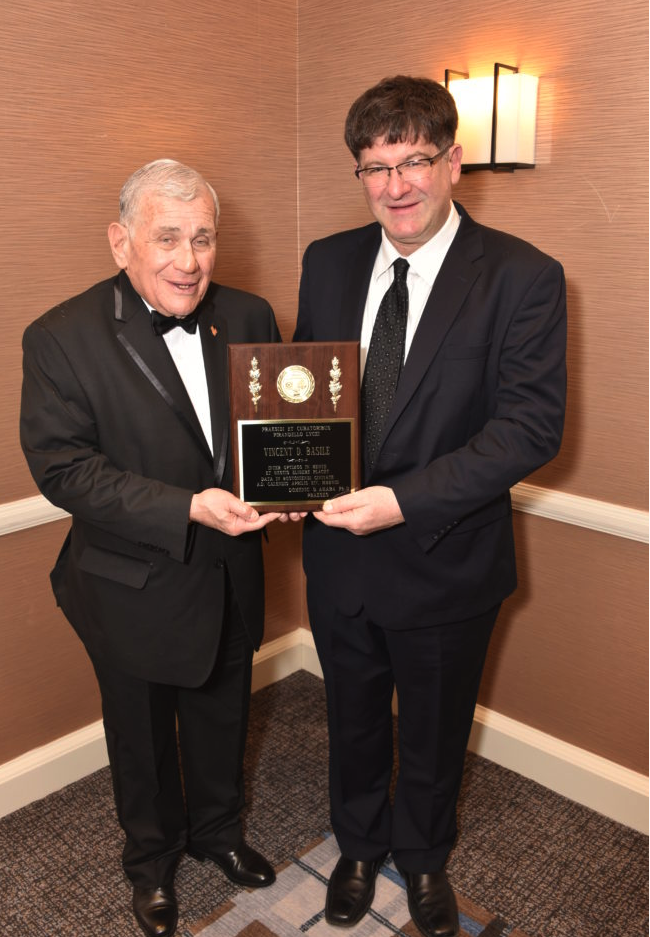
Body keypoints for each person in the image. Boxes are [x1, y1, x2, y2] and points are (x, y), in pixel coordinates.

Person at [292, 76, 567, 937]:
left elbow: (529, 429)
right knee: (354, 718)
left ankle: (422, 856)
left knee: (437, 732)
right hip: (339, 557)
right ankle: (359, 846)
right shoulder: (327, 260)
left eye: (414, 160)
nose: (395, 185)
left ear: (454, 161)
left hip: (447, 558)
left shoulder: (523, 276)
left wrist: (400, 502)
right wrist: (282, 477)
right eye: (375, 167)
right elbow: (307, 398)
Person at [20, 159, 282, 937]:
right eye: (167, 237)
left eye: (202, 237)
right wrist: (186, 507)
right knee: (139, 735)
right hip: (127, 583)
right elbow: (63, 469)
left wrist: (292, 484)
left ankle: (220, 834)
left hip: (232, 571)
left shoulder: (250, 313)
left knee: (223, 712)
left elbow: (273, 432)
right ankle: (152, 861)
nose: (189, 260)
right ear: (120, 241)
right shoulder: (60, 336)